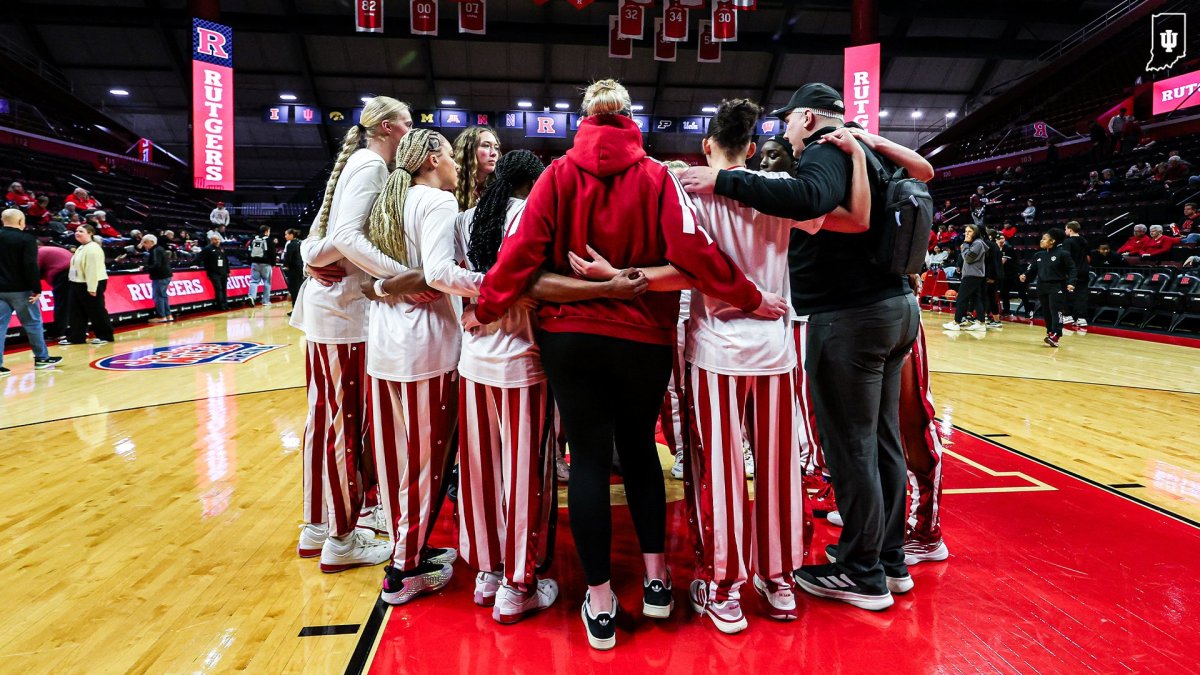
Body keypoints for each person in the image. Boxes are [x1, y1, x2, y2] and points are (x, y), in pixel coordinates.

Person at [474, 79, 784, 648]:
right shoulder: (658, 175)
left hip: (571, 338)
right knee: (641, 450)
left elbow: (519, 254)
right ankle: (659, 581)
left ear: (584, 118)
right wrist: (749, 296)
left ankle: (598, 602)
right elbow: (693, 251)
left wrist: (487, 306)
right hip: (643, 334)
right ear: (629, 118)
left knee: (589, 461)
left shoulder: (557, 175)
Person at [679, 81, 932, 612]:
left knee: (748, 464)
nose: (787, 132)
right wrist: (865, 155)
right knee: (848, 449)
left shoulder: (713, 186)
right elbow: (867, 211)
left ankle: (739, 583)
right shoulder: (805, 173)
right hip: (819, 334)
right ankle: (821, 571)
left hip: (765, 338)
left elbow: (684, 267)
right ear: (751, 148)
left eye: (791, 120)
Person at [291, 95, 424, 573]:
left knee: (326, 419)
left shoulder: (361, 163)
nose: (412, 129)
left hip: (336, 312)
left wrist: (312, 255)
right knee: (341, 425)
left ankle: (318, 524)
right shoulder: (370, 165)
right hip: (344, 316)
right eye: (407, 123)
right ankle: (342, 536)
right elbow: (346, 238)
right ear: (388, 128)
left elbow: (322, 237)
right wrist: (404, 276)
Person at [0, 209, 62, 376]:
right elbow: (30, 266)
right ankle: (41, 359)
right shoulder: (25, 239)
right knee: (32, 324)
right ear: (21, 221)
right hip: (21, 290)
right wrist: (37, 288)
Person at [1020, 228, 1077, 348]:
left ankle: (1056, 334)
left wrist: (1071, 282)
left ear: (1053, 241)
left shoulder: (1063, 254)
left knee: (1055, 310)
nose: (1041, 241)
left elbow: (1072, 269)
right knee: (1045, 310)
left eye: (1044, 239)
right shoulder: (1038, 255)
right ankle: (1050, 331)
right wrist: (1025, 275)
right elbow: (1032, 269)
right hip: (1042, 285)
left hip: (1057, 286)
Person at [62, 224, 114, 345]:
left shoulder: (93, 248)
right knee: (76, 311)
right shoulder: (81, 247)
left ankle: (105, 335)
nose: (77, 233)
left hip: (91, 283)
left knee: (96, 310)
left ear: (90, 233)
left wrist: (92, 287)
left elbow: (92, 269)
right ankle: (76, 337)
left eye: (81, 231)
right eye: (76, 231)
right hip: (77, 283)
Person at [944, 223, 988, 331]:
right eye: (966, 231)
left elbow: (968, 259)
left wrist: (964, 245)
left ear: (975, 233)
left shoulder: (977, 244)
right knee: (976, 299)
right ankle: (981, 323)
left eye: (969, 231)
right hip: (973, 275)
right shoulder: (975, 243)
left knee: (961, 298)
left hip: (972, 275)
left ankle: (956, 322)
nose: (966, 234)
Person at [452, 126, 501, 212]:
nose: (494, 153)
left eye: (496, 148)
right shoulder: (452, 185)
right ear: (469, 150)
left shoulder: (499, 188)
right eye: (486, 146)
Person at [1060, 221, 1090, 328]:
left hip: (1073, 270)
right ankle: (1081, 318)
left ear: (1070, 230)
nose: (1065, 231)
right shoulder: (1084, 240)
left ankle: (1067, 315)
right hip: (1085, 270)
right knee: (1081, 294)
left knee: (1065, 292)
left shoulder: (1067, 241)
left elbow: (1065, 257)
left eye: (1065, 229)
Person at [140, 234, 173, 323]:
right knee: (163, 296)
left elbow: (156, 264)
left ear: (152, 242)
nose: (144, 245)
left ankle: (161, 316)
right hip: (166, 275)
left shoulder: (155, 250)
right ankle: (168, 315)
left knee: (158, 296)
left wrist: (145, 268)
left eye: (145, 243)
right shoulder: (159, 249)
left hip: (160, 276)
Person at [246, 226, 276, 306]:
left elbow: (248, 250)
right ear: (266, 231)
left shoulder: (253, 239)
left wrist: (250, 261)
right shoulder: (269, 240)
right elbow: (273, 253)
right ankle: (265, 301)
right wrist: (273, 264)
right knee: (267, 282)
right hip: (266, 264)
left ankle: (252, 296)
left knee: (254, 281)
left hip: (254, 263)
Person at [199, 234, 230, 310]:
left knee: (224, 288)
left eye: (218, 240)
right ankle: (220, 305)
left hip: (223, 272)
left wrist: (228, 271)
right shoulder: (207, 249)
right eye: (215, 240)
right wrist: (194, 264)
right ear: (211, 240)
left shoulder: (221, 249)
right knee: (218, 288)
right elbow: (200, 258)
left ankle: (225, 304)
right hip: (213, 272)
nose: (217, 241)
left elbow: (226, 261)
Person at [281, 228, 303, 309]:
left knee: (294, 290)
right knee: (299, 288)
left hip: (293, 269)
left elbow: (288, 258)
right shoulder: (301, 242)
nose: (285, 236)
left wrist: (285, 265)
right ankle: (300, 310)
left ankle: (295, 310)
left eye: (286, 234)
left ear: (291, 235)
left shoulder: (291, 244)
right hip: (301, 268)